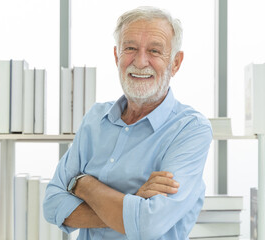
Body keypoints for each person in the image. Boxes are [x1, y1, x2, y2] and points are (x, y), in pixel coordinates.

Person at [44, 6, 212, 240]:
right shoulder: (95, 118)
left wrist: (84, 185)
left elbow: (148, 223)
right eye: (130, 48)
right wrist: (133, 200)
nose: (141, 61)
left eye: (154, 51)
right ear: (117, 56)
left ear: (175, 62)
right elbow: (52, 206)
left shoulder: (190, 129)